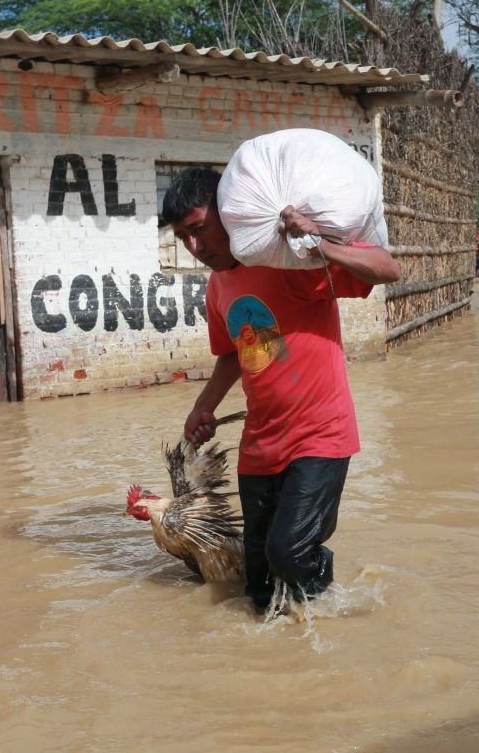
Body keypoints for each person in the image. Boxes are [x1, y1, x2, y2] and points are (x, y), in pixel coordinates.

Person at [161, 167, 401, 614]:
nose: (194, 248)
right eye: (182, 238)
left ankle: (335, 618)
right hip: (261, 447)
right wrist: (203, 406)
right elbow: (235, 352)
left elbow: (388, 268)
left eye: (198, 230)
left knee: (288, 554)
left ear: (229, 213)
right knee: (259, 586)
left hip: (320, 437)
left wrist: (318, 243)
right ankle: (283, 654)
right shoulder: (218, 287)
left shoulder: (289, 262)